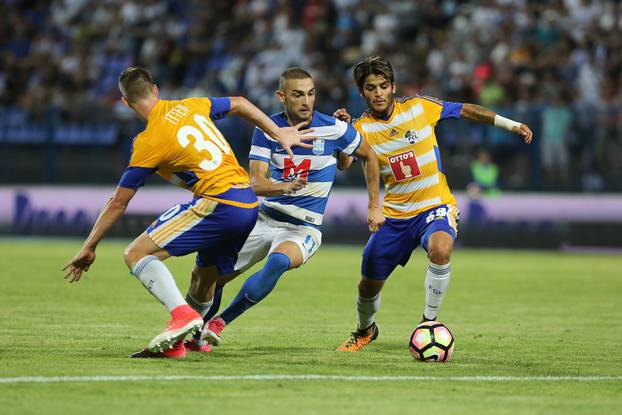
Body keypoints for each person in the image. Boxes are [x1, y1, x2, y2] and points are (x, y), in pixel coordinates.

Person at [62, 66, 313, 359]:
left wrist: (90, 246)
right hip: (247, 203)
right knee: (203, 280)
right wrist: (278, 132)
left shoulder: (148, 141)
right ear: (155, 89)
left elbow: (118, 202)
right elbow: (241, 103)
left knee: (136, 254)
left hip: (219, 201)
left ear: (126, 103)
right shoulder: (191, 105)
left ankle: (181, 315)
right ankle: (181, 341)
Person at [332, 56, 532, 351]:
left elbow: (466, 110)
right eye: (371, 87)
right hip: (395, 215)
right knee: (368, 284)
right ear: (362, 92)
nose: (378, 93)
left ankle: (429, 322)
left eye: (383, 86)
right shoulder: (361, 128)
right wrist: (342, 133)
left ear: (393, 87)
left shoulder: (419, 107)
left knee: (441, 248)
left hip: (434, 205)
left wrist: (510, 124)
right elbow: (344, 164)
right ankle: (365, 331)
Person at [184, 67, 384, 349]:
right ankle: (193, 334)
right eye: (298, 94)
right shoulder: (267, 131)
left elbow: (368, 156)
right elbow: (256, 182)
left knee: (278, 261)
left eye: (311, 94)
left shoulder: (333, 127)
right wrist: (282, 187)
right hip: (263, 219)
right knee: (213, 277)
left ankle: (221, 321)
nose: (306, 101)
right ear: (282, 96)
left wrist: (375, 205)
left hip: (304, 227)